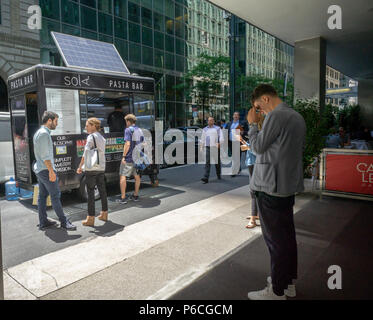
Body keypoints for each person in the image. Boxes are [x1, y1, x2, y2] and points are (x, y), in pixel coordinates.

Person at [246, 84, 306, 300]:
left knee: (275, 241)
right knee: (287, 237)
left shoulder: (275, 116)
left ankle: (277, 291)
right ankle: (287, 283)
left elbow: (258, 147)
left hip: (270, 186)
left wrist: (253, 126)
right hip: (286, 186)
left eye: (258, 107)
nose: (259, 112)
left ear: (265, 99)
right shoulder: (296, 117)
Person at [33, 111, 76, 231]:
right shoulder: (43, 134)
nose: (57, 124)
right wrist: (51, 171)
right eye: (56, 121)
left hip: (41, 169)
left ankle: (43, 221)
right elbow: (45, 156)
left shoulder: (39, 133)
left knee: (42, 196)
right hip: (46, 170)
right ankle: (64, 222)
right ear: (49, 120)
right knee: (55, 196)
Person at [77, 118, 108, 226]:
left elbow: (86, 154)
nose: (86, 127)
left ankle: (90, 218)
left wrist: (80, 166)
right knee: (102, 191)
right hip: (101, 167)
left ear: (94, 125)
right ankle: (104, 214)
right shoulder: (101, 137)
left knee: (90, 193)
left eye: (87, 125)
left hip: (91, 168)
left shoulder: (91, 137)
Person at [240, 111, 264, 229]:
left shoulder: (260, 130)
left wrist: (247, 146)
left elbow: (258, 149)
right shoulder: (255, 130)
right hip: (251, 162)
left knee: (254, 190)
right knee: (254, 190)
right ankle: (256, 214)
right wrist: (243, 141)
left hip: (256, 163)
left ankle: (254, 219)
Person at [117, 114, 144, 203]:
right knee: (137, 177)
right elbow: (144, 144)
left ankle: (123, 198)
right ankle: (135, 195)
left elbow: (127, 144)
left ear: (128, 121)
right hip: (137, 158)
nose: (126, 123)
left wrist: (124, 156)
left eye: (126, 121)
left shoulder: (128, 130)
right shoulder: (139, 130)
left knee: (123, 176)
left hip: (128, 158)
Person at [200, 117, 223, 184]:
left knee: (217, 162)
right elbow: (202, 138)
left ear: (213, 121)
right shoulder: (205, 129)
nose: (210, 122)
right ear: (208, 122)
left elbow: (221, 137)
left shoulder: (217, 129)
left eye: (211, 120)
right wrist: (201, 147)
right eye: (209, 120)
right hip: (208, 147)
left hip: (215, 147)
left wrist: (219, 143)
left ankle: (218, 174)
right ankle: (206, 177)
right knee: (207, 162)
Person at [226, 111, 248, 176]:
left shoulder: (242, 123)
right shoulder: (229, 123)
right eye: (234, 115)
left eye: (237, 115)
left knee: (236, 157)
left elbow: (247, 131)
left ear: (238, 117)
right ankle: (238, 168)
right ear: (233, 116)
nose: (235, 116)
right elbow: (226, 131)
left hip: (238, 142)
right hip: (230, 142)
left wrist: (243, 132)